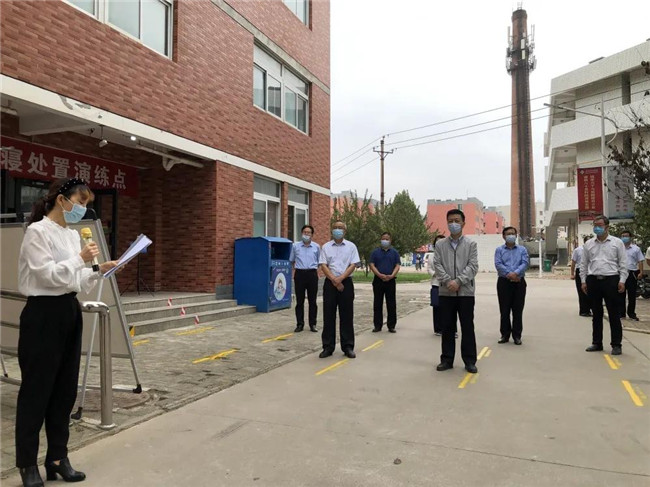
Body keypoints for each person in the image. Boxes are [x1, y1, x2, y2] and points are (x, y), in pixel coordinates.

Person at [15, 178, 118, 487]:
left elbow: (75, 281)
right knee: (36, 391)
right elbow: (46, 276)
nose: (83, 209)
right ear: (61, 200)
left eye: (87, 204)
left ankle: (58, 458)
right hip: (42, 313)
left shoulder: (72, 235)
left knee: (65, 389)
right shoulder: (37, 232)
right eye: (80, 201)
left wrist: (98, 270)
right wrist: (80, 259)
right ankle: (27, 463)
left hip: (69, 310)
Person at [433, 209, 479, 373]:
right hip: (446, 292)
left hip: (465, 293)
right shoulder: (440, 245)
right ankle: (447, 359)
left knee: (467, 327)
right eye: (450, 221)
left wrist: (458, 281)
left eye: (457, 221)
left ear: (463, 223)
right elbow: (437, 265)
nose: (454, 224)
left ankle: (470, 361)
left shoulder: (471, 244)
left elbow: (473, 266)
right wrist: (448, 281)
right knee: (447, 327)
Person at [580, 215, 628, 356]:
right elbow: (584, 264)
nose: (597, 228)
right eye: (595, 225)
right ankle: (597, 342)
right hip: (593, 280)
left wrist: (622, 280)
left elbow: (623, 263)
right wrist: (583, 281)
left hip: (611, 280)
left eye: (600, 225)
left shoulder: (617, 243)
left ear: (607, 226)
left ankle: (616, 344)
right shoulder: (589, 244)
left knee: (614, 313)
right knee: (596, 313)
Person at [318, 221, 360, 359]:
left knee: (347, 315)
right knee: (328, 315)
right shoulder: (326, 246)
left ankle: (348, 346)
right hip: (330, 283)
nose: (337, 230)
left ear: (345, 231)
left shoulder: (351, 246)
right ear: (331, 230)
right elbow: (323, 265)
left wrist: (341, 279)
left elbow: (353, 264)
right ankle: (328, 347)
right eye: (335, 227)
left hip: (346, 282)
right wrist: (334, 280)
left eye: (340, 228)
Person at [494, 226, 529, 345]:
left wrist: (516, 273)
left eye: (513, 233)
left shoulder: (522, 250)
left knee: (518, 310)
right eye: (508, 234)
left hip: (519, 282)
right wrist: (510, 274)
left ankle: (517, 335)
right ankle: (505, 334)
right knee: (504, 310)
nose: (511, 236)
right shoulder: (499, 250)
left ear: (516, 235)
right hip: (504, 282)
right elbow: (498, 264)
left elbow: (525, 263)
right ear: (503, 236)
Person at [289, 225, 320, 333]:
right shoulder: (295, 246)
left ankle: (313, 324)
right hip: (300, 274)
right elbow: (292, 260)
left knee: (313, 301)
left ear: (312, 235)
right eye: (305, 232)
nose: (306, 234)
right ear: (301, 233)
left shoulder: (316, 247)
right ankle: (300, 324)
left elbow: (319, 261)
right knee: (299, 301)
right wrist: (297, 270)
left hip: (312, 274)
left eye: (309, 232)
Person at [369, 232, 401, 333]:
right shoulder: (375, 252)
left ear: (390, 241)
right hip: (378, 280)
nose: (385, 241)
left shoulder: (394, 252)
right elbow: (372, 265)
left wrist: (392, 275)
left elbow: (397, 265)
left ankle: (391, 325)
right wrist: (379, 274)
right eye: (383, 239)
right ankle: (377, 325)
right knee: (377, 303)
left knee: (391, 303)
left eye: (387, 239)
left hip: (390, 280)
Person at [618, 230, 644, 321]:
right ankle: (621, 314)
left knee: (632, 295)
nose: (624, 238)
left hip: (632, 273)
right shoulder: (618, 248)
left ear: (630, 237)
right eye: (623, 236)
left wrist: (641, 272)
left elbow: (640, 261)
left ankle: (632, 314)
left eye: (626, 236)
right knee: (620, 294)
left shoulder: (636, 249)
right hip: (620, 273)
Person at [428, 235, 447, 336]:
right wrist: (434, 273)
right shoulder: (431, 256)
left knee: (449, 308)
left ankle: (451, 329)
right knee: (437, 307)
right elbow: (429, 268)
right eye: (437, 242)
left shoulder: (449, 254)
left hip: (447, 284)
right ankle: (438, 328)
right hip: (436, 283)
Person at [570, 236, 592, 317]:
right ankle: (583, 311)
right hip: (580, 271)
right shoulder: (578, 250)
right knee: (581, 291)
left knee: (591, 291)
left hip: (591, 272)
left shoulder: (593, 249)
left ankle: (590, 309)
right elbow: (573, 262)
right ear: (584, 242)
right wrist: (572, 274)